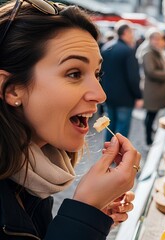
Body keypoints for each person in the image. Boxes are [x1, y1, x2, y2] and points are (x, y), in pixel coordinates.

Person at [0, 0, 141, 239]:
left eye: (97, 74)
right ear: (12, 90)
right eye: (74, 73)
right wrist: (86, 209)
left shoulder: (31, 170)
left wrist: (89, 216)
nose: (100, 95)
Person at [101, 20, 143, 142]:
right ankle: (118, 154)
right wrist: (138, 96)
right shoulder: (128, 50)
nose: (133, 35)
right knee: (122, 127)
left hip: (108, 93)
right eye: (131, 32)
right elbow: (133, 77)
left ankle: (108, 153)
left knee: (110, 125)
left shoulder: (106, 47)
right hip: (125, 97)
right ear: (125, 32)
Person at [137, 29, 165, 147]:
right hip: (152, 90)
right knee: (150, 115)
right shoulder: (148, 53)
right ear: (150, 39)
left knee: (153, 114)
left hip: (158, 89)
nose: (157, 41)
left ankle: (150, 134)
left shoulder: (158, 51)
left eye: (159, 39)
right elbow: (151, 72)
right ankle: (148, 139)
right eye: (154, 39)